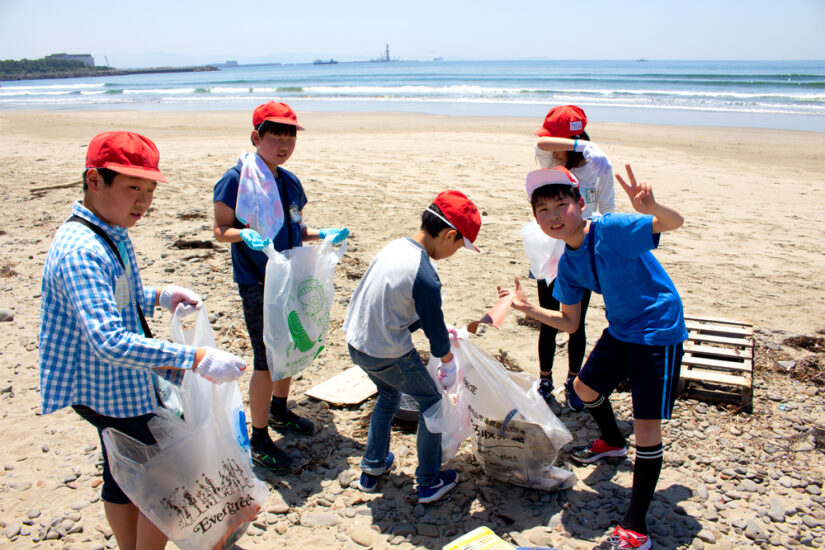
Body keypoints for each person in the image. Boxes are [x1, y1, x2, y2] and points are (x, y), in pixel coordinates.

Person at [39, 131, 247, 550]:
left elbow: (115, 297)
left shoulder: (106, 229)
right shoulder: (82, 249)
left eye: (149, 190)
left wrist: (159, 295)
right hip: (111, 387)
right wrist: (197, 358)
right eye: (133, 187)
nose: (143, 201)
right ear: (95, 180)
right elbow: (109, 341)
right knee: (168, 479)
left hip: (108, 383)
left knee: (122, 470)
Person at [498, 165, 686, 550]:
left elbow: (673, 223)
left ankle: (637, 529)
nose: (553, 215)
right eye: (543, 209)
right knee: (582, 389)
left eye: (561, 204)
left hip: (657, 327)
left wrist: (651, 206)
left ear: (580, 204)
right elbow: (569, 322)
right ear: (536, 219)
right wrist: (527, 308)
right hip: (622, 327)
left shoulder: (612, 229)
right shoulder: (567, 262)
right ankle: (613, 442)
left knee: (647, 426)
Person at [213, 101, 348, 474]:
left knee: (288, 347)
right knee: (265, 357)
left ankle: (279, 410)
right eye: (277, 138)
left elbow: (295, 229)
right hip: (258, 281)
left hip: (290, 275)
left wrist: (323, 233)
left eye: (290, 137)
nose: (285, 145)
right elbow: (220, 229)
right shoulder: (236, 179)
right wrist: (246, 236)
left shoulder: (289, 182)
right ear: (257, 137)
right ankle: (258, 437)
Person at [343, 190, 481, 503]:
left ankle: (373, 466)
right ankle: (430, 480)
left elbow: (393, 301)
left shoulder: (395, 247)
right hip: (387, 353)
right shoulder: (426, 276)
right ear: (449, 235)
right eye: (459, 246)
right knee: (432, 403)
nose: (455, 252)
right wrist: (447, 360)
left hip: (357, 343)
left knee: (388, 395)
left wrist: (431, 326)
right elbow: (434, 332)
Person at [531, 105, 615, 412]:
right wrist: (580, 144)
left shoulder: (598, 167)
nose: (554, 146)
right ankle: (544, 379)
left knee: (575, 323)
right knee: (548, 320)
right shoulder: (550, 161)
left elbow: (607, 209)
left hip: (581, 255)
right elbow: (541, 143)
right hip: (547, 252)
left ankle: (573, 378)